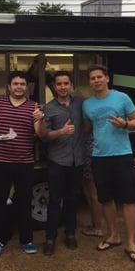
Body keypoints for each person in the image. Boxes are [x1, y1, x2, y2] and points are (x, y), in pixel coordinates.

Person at [82, 64, 135, 263]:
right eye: (92, 78)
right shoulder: (87, 105)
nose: (96, 81)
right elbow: (88, 128)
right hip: (99, 157)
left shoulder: (122, 97)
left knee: (128, 199)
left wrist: (125, 124)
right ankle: (114, 235)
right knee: (105, 199)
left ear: (107, 78)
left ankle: (131, 242)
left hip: (122, 154)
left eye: (99, 77)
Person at [0, 70, 45, 258]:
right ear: (9, 86)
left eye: (22, 84)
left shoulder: (34, 106)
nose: (19, 87)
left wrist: (39, 120)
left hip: (25, 162)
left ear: (27, 87)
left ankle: (26, 240)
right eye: (16, 84)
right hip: (1, 161)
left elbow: (40, 134)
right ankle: (0, 240)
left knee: (24, 202)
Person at [35, 71, 85, 256]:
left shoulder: (81, 103)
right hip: (57, 161)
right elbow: (44, 137)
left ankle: (70, 234)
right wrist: (61, 131)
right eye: (59, 84)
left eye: (66, 83)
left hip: (77, 160)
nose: (63, 87)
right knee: (55, 201)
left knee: (73, 200)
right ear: (54, 86)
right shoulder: (48, 108)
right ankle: (50, 238)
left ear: (71, 85)